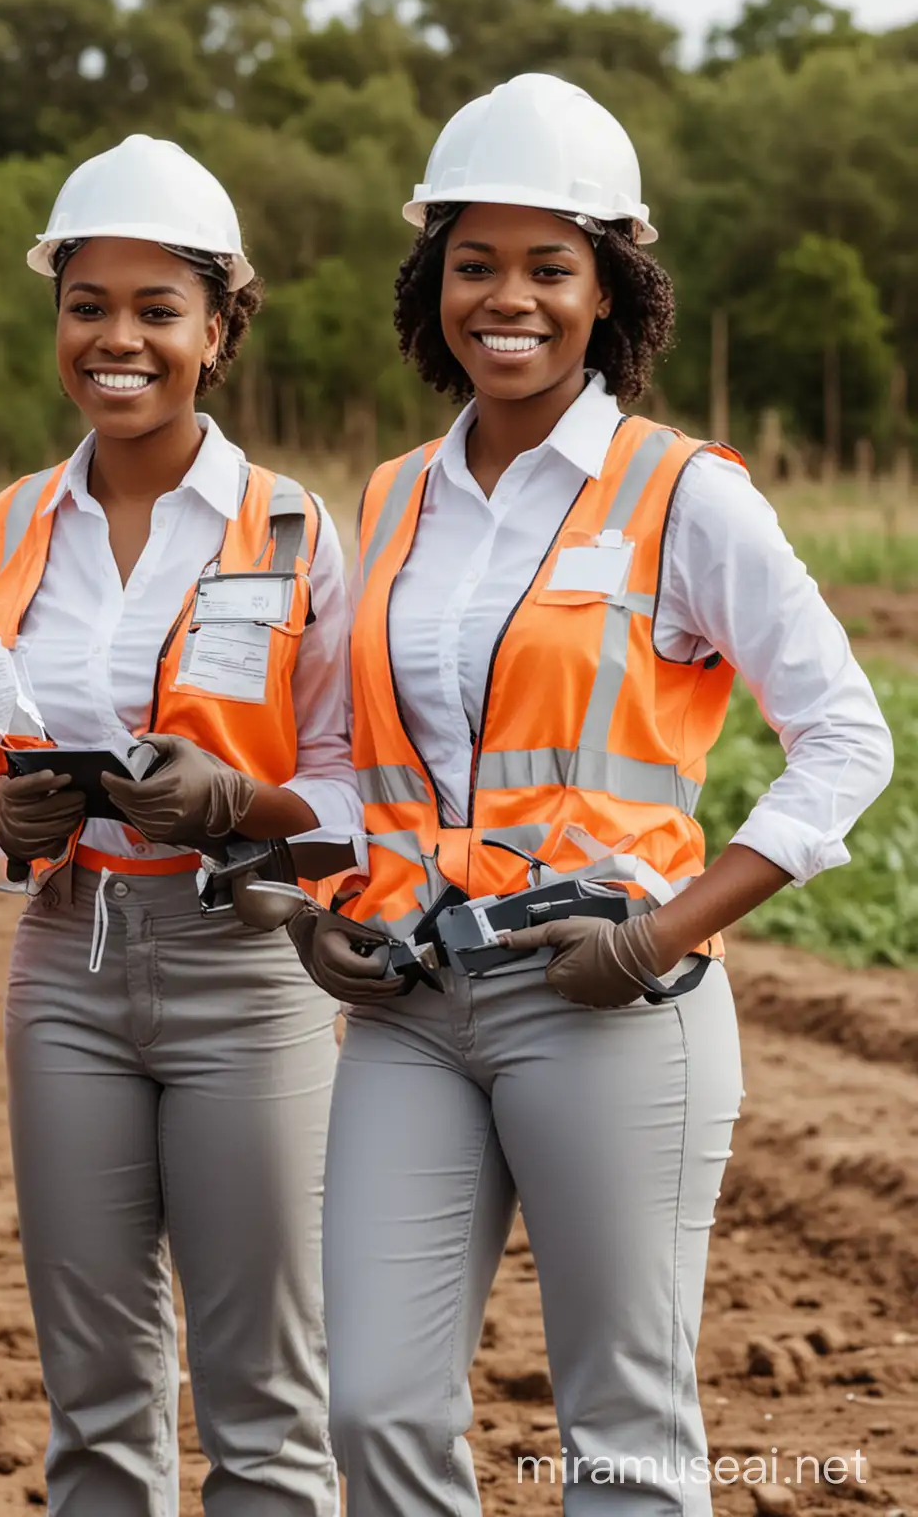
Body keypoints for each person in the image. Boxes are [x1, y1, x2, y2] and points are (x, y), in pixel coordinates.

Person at [293, 73, 894, 1515]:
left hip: (610, 1003)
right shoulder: (390, 499)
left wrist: (661, 935)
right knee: (372, 1406)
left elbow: (847, 741)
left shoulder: (682, 494)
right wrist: (315, 898)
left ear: (609, 286)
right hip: (411, 1009)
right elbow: (363, 766)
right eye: (474, 262)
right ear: (431, 277)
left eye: (549, 267)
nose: (509, 298)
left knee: (623, 1431)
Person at [0, 133, 358, 1515]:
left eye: (156, 310)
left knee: (264, 1394)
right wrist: (5, 813)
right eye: (87, 305)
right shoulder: (7, 526)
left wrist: (238, 802)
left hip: (245, 966)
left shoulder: (299, 529)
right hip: (64, 966)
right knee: (96, 1392)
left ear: (219, 328)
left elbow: (361, 786)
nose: (116, 338)